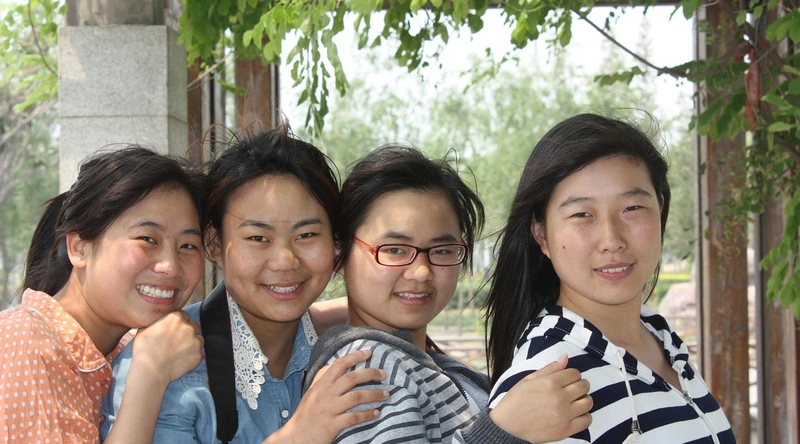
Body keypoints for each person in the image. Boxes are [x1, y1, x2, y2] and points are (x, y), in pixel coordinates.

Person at [102, 124, 387, 443]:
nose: (285, 260)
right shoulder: (162, 366)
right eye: (258, 238)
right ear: (214, 243)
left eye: (306, 235)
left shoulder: (358, 356)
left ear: (335, 243)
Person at [304, 146, 593, 444]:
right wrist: (504, 431)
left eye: (442, 251)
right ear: (339, 254)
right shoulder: (366, 369)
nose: (421, 271)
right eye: (394, 249)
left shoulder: (426, 364)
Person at [485, 113, 736, 442]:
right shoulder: (549, 381)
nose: (612, 239)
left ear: (660, 209)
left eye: (632, 208)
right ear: (541, 234)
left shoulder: (661, 340)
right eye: (582, 214)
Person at [0, 146, 209, 443]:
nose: (171, 266)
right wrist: (151, 373)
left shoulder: (122, 348)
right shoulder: (25, 340)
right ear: (79, 248)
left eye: (188, 246)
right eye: (147, 239)